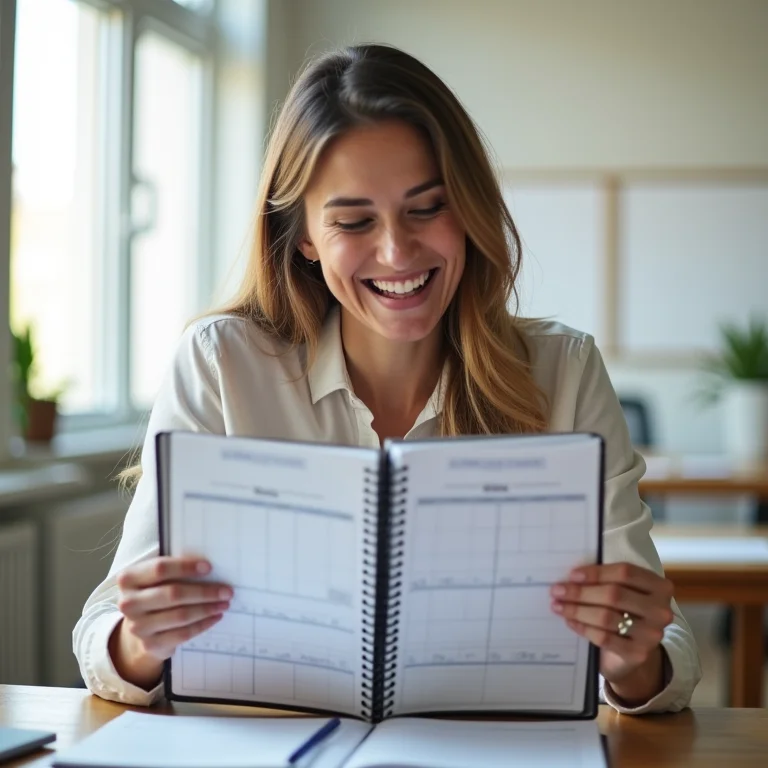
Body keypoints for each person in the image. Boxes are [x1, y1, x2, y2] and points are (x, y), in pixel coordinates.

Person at [74, 43, 700, 713]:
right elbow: (104, 632)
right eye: (353, 221)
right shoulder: (221, 363)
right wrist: (140, 641)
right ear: (305, 235)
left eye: (427, 208)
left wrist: (631, 654)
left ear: (470, 209)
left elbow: (668, 652)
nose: (398, 252)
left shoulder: (564, 370)